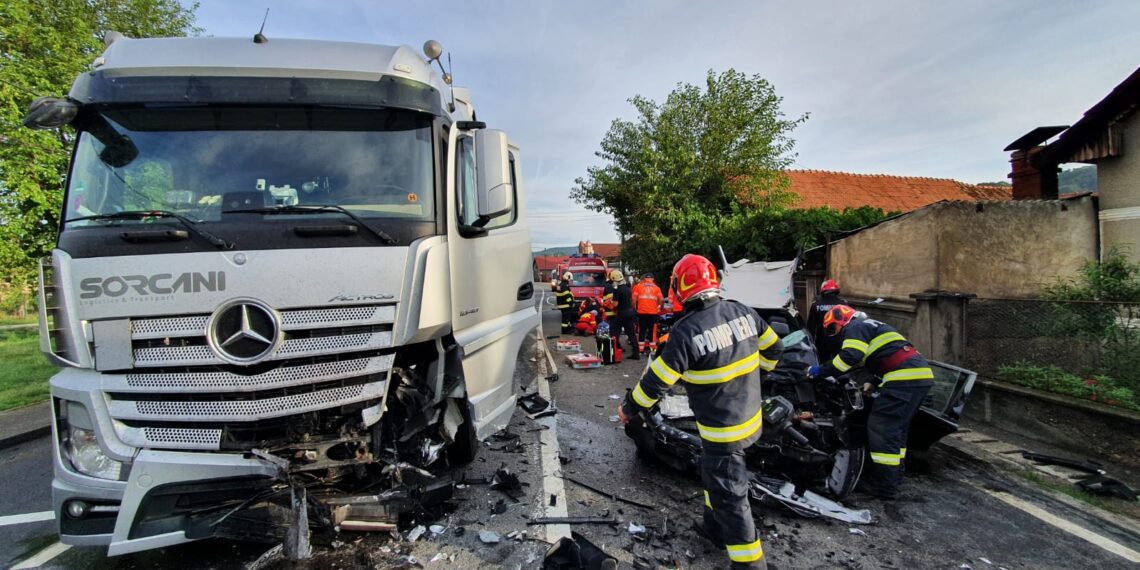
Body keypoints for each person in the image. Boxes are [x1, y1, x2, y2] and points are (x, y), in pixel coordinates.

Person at [618, 254, 782, 570]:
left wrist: (629, 408)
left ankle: (750, 563)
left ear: (679, 287)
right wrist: (756, 377)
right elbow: (775, 348)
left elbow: (656, 383)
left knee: (731, 497)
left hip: (723, 431)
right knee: (715, 478)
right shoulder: (742, 311)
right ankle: (714, 528)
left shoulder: (686, 331)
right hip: (750, 420)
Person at [806, 305, 934, 498]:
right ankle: (894, 477)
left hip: (904, 378)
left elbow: (849, 357)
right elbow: (888, 355)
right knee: (896, 430)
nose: (834, 334)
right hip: (916, 377)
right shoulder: (869, 326)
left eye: (833, 328)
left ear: (842, 319)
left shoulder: (854, 327)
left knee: (882, 427)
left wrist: (819, 371)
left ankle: (884, 487)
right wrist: (873, 380)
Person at [806, 279, 848, 363]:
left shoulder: (816, 305)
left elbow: (811, 327)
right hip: (840, 340)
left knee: (823, 364)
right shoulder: (844, 304)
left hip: (822, 341)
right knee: (840, 363)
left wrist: (810, 343)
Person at [608, 269, 640, 360]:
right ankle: (636, 353)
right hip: (630, 312)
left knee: (614, 331)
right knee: (631, 333)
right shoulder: (627, 288)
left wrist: (610, 301)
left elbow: (616, 304)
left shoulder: (617, 290)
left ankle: (615, 350)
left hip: (622, 313)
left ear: (614, 279)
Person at [632, 273, 665, 351]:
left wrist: (635, 308)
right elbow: (662, 300)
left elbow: (633, 299)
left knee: (642, 330)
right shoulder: (656, 288)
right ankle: (652, 349)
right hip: (653, 313)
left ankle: (641, 349)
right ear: (653, 279)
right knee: (652, 331)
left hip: (641, 312)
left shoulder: (638, 287)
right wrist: (660, 307)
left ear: (644, 279)